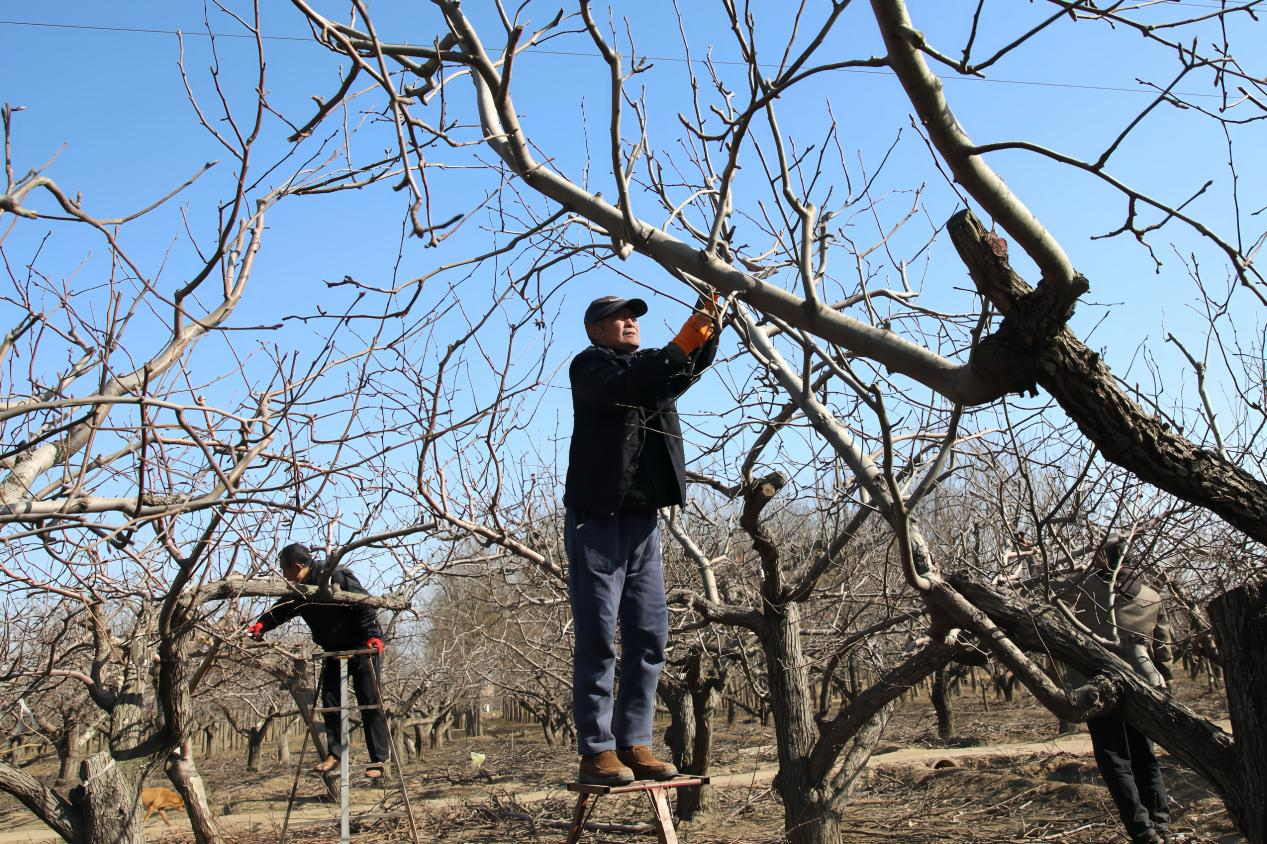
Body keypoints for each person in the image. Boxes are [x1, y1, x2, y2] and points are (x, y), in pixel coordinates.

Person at [564, 293, 719, 785]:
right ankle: (596, 749)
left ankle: (634, 742)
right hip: (597, 519)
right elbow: (637, 381)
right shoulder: (591, 368)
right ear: (594, 329)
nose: (629, 322)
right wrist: (682, 342)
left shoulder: (648, 371)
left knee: (650, 634)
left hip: (641, 522)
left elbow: (680, 373)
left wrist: (710, 328)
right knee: (597, 634)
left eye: (633, 317)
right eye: (617, 317)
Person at [1062, 536, 1176, 844]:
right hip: (1144, 684)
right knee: (1145, 756)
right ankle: (1160, 822)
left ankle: (1142, 830)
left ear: (1100, 558)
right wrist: (1167, 688)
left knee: (1115, 760)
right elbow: (1163, 650)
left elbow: (1052, 609)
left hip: (1097, 687)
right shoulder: (1152, 596)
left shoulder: (1080, 590)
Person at [247, 543, 390, 779]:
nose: (283, 576)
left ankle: (379, 760)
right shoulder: (298, 590)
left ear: (296, 567)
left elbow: (363, 604)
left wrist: (373, 636)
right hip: (332, 649)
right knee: (330, 701)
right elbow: (281, 610)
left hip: (362, 646)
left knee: (370, 700)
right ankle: (335, 754)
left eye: (284, 570)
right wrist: (262, 625)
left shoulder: (334, 575)